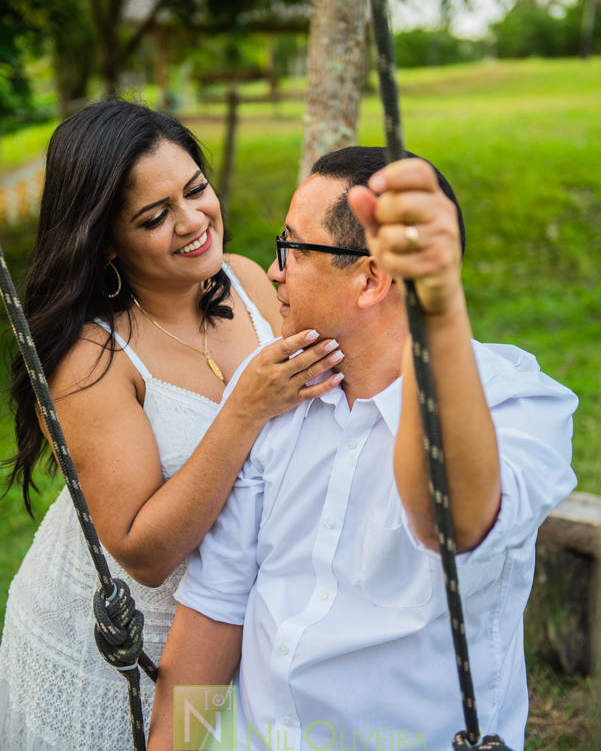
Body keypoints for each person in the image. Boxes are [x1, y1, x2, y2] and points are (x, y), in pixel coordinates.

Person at [148, 146, 578, 751]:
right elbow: (217, 608)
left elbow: (449, 520)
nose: (273, 272)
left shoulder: (517, 405)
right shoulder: (279, 392)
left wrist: (438, 309)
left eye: (292, 248)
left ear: (371, 278)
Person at [0, 100, 343, 751]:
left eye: (195, 190)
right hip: (125, 648)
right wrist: (244, 409)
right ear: (104, 239)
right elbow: (144, 551)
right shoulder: (90, 361)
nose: (192, 222)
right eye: (154, 217)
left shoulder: (246, 281)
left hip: (242, 624)